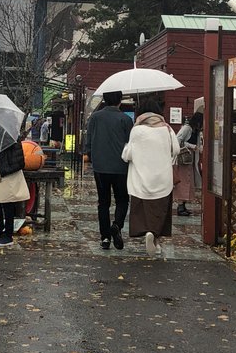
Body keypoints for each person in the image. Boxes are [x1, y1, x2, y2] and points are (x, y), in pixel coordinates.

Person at [121, 95, 180, 257]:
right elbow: (176, 150)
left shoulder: (137, 129)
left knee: (142, 208)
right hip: (163, 177)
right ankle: (155, 238)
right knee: (160, 208)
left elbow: (128, 155)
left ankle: (147, 231)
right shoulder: (167, 129)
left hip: (141, 178)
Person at [82, 90, 132, 250]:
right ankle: (116, 225)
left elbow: (88, 140)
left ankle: (105, 238)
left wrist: (92, 156)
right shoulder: (126, 119)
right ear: (120, 101)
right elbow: (130, 143)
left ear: (104, 100)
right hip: (121, 167)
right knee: (122, 200)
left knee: (103, 203)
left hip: (100, 166)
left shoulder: (95, 117)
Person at [0, 138, 29, 248]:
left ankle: (8, 234)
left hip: (6, 174)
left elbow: (16, 157)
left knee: (7, 204)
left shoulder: (8, 137)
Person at [174, 112, 203, 216]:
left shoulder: (194, 130)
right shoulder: (187, 128)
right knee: (183, 182)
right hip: (184, 159)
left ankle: (183, 205)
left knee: (188, 182)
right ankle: (180, 206)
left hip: (189, 159)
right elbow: (178, 139)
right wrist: (191, 146)